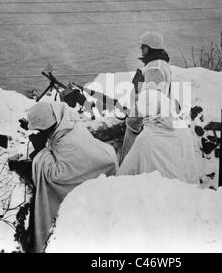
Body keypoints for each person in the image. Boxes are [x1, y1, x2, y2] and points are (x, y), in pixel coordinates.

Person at [24, 101, 118, 252]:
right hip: (99, 161)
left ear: (51, 125)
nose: (41, 133)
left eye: (42, 129)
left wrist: (41, 152)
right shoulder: (66, 123)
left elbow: (57, 176)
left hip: (95, 169)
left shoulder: (67, 136)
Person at [117, 89, 199, 184]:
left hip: (155, 194)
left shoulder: (145, 138)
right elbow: (191, 168)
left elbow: (124, 172)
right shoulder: (183, 130)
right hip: (180, 191)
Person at [119, 31, 173, 164]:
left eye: (143, 46)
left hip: (144, 123)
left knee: (131, 161)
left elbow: (151, 100)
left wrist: (134, 123)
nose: (141, 49)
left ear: (151, 47)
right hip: (154, 121)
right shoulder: (161, 64)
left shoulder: (154, 67)